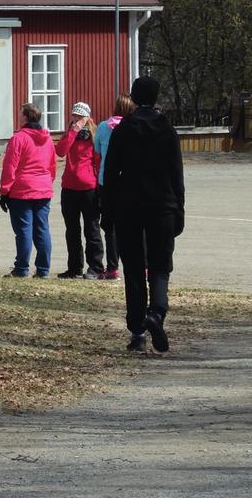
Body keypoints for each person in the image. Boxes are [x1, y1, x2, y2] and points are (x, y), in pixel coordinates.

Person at [102, 76, 184, 354]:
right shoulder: (166, 129)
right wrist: (179, 209)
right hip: (162, 205)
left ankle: (137, 330)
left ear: (134, 98)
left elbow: (110, 173)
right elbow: (176, 173)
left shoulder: (124, 129)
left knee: (134, 268)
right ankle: (157, 312)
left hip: (129, 206)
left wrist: (107, 212)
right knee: (160, 265)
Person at [0, 102, 56, 278]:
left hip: (22, 189)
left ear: (25, 117)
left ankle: (22, 268)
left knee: (24, 230)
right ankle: (43, 269)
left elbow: (10, 166)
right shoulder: (47, 138)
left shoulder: (19, 138)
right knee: (42, 229)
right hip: (42, 188)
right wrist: (47, 182)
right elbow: (52, 165)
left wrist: (4, 191)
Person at [55, 102, 105, 279]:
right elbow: (60, 151)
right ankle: (75, 267)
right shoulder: (70, 134)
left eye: (80, 116)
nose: (76, 119)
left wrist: (100, 186)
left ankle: (96, 267)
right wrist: (73, 132)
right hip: (69, 187)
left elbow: (98, 161)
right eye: (74, 115)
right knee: (72, 230)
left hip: (89, 188)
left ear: (88, 118)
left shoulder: (94, 135)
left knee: (92, 229)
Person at [93, 94, 136, 280]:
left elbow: (97, 150)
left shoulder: (104, 127)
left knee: (109, 227)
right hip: (130, 182)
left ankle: (112, 267)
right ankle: (141, 266)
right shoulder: (134, 127)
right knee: (134, 224)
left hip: (107, 181)